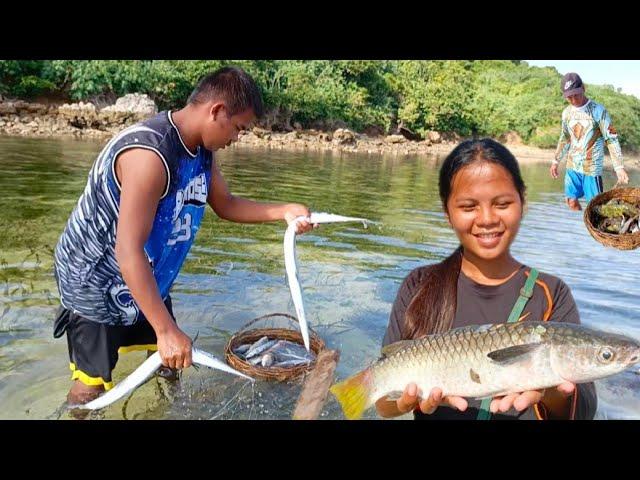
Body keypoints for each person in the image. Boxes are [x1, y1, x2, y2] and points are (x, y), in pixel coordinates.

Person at [53, 66, 314, 405]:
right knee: (92, 385)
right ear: (217, 111)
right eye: (238, 128)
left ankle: (166, 411)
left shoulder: (201, 151)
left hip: (148, 274)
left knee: (171, 361)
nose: (236, 138)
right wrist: (164, 330)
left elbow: (227, 204)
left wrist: (284, 211)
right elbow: (127, 250)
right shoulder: (150, 156)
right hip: (97, 282)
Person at [376, 138, 597, 420]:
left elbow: (583, 412)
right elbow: (383, 405)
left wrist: (549, 388)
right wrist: (406, 402)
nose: (487, 219)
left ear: (522, 202)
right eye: (469, 207)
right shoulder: (419, 285)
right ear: (448, 213)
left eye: (502, 203)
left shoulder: (551, 292)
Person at [550, 72, 629, 211]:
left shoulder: (599, 111)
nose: (574, 99)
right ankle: (581, 228)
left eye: (576, 94)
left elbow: (611, 139)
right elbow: (565, 137)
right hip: (572, 166)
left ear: (584, 88)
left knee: (595, 209)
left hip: (591, 170)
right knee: (571, 201)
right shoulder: (566, 113)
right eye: (569, 97)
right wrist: (556, 161)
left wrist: (619, 167)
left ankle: (594, 230)